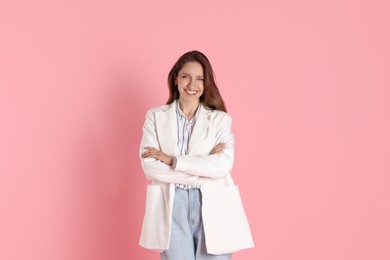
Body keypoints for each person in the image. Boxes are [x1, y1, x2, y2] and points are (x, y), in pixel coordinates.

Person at [139, 50, 254, 260]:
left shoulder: (220, 120)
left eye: (199, 78)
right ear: (176, 79)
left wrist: (172, 160)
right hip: (172, 204)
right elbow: (151, 167)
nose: (192, 85)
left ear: (206, 83)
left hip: (212, 203)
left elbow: (222, 166)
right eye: (186, 77)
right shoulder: (155, 117)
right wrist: (202, 169)